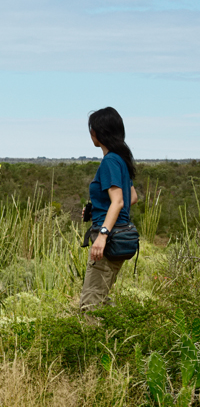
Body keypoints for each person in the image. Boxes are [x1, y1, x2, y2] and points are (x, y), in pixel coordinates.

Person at [80, 106, 139, 311]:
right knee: (102, 300)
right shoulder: (121, 159)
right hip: (122, 235)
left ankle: (94, 342)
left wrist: (103, 234)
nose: (90, 134)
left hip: (110, 239)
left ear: (98, 132)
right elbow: (132, 196)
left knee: (90, 305)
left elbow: (119, 202)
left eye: (92, 129)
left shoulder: (110, 162)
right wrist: (98, 210)